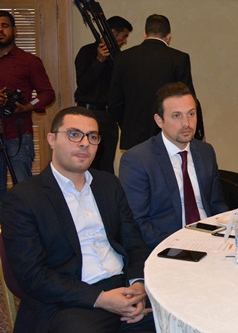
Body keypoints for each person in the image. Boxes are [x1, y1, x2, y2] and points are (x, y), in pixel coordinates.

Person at [1, 107, 154, 332]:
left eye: (92, 137)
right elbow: (32, 276)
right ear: (52, 139)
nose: (84, 143)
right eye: (74, 134)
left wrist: (137, 285)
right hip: (69, 300)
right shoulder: (23, 198)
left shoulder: (108, 185)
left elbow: (134, 244)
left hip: (123, 287)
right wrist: (101, 299)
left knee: (183, 313)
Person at [119, 82, 228, 249]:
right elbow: (138, 222)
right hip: (168, 245)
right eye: (176, 116)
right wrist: (178, 248)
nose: (186, 123)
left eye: (191, 114)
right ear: (159, 120)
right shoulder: (137, 160)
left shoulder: (205, 152)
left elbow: (217, 205)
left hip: (211, 240)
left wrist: (227, 234)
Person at [109, 14, 204, 151]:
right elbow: (188, 100)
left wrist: (128, 125)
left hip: (133, 135)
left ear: (145, 34)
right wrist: (199, 133)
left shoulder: (123, 58)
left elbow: (115, 102)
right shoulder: (179, 59)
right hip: (168, 135)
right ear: (168, 36)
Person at [0, 10, 55, 209]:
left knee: (23, 191)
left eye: (5, 26)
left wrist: (27, 106)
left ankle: (24, 226)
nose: (0, 30)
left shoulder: (28, 61)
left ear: (14, 30)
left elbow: (47, 93)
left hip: (18, 135)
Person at [74, 15, 133, 174]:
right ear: (113, 32)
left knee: (106, 166)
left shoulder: (118, 58)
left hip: (109, 117)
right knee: (86, 163)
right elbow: (83, 85)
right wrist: (99, 61)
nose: (125, 41)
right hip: (87, 114)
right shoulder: (86, 52)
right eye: (124, 36)